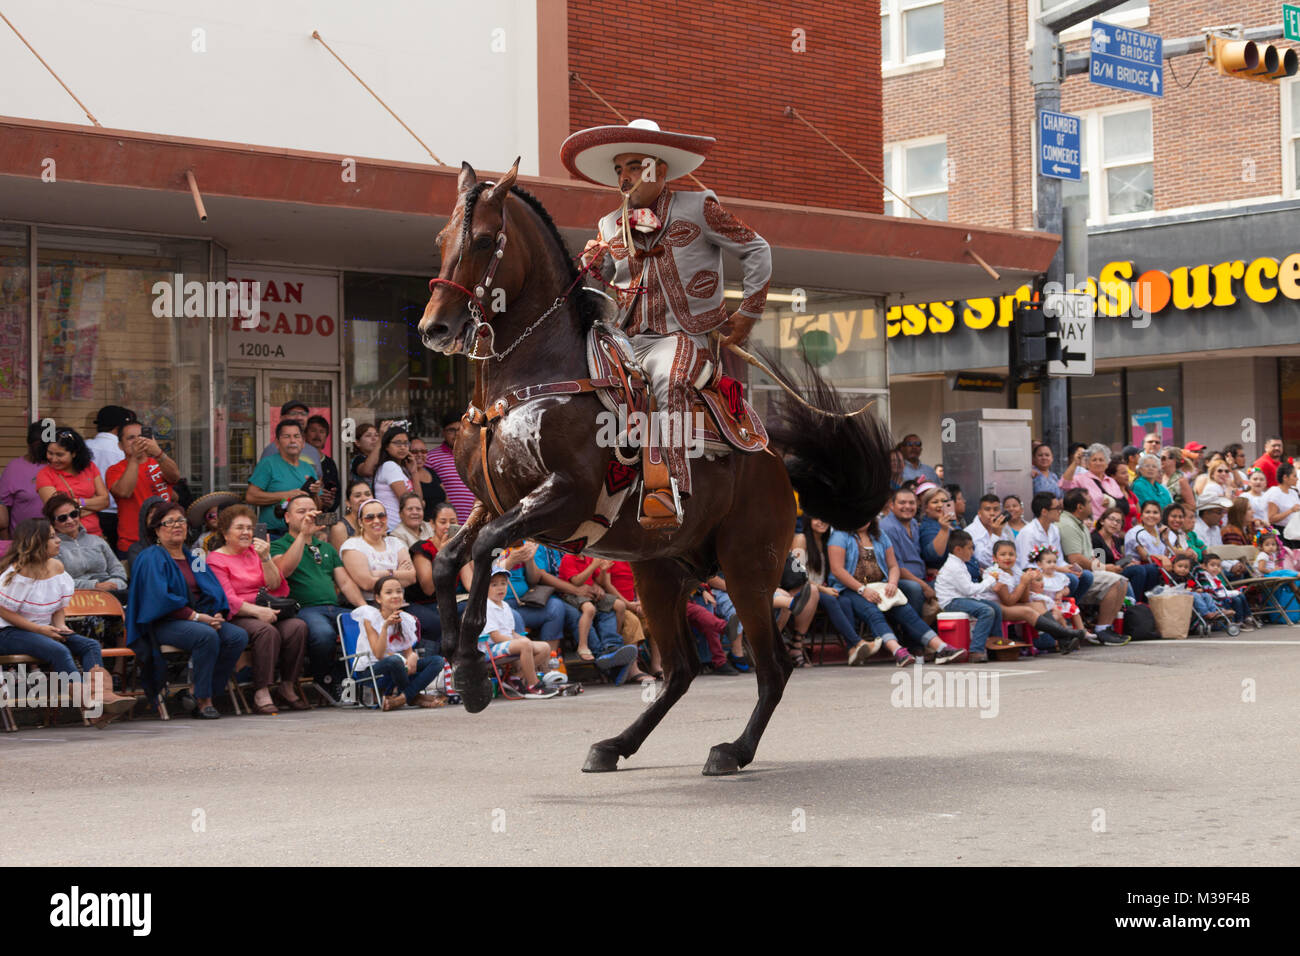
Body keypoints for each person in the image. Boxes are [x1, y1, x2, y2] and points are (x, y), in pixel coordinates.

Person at [567, 117, 772, 526]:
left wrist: (747, 314)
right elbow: (613, 279)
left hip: (684, 336)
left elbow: (758, 249)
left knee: (668, 378)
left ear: (659, 170)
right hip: (625, 336)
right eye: (619, 170)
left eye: (634, 167)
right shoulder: (609, 223)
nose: (625, 178)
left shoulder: (700, 208)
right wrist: (595, 264)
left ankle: (670, 488)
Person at [0, 517, 137, 726]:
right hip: (10, 632)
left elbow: (59, 606)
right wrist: (39, 629)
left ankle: (102, 697)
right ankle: (91, 705)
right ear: (36, 542)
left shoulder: (56, 566)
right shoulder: (17, 572)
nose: (58, 541)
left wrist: (60, 626)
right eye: (52, 537)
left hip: (44, 629)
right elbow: (4, 611)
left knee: (89, 645)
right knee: (59, 651)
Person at [125, 502, 249, 719]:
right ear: (156, 529)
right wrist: (198, 617)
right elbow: (159, 598)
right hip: (164, 622)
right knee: (206, 636)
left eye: (181, 520)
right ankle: (203, 700)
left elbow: (211, 587)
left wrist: (217, 612)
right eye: (169, 522)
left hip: (200, 619)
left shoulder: (194, 557)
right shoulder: (151, 557)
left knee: (237, 636)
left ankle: (195, 690)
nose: (177, 526)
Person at [206, 504, 309, 714]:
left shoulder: (257, 552)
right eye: (239, 528)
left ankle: (287, 685)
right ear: (225, 533)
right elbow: (227, 598)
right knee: (266, 631)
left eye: (249, 528)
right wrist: (257, 612)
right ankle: (261, 690)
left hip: (267, 606)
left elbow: (276, 586)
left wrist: (265, 558)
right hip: (239, 613)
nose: (246, 532)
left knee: (297, 627)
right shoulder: (215, 559)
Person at [828, 518, 961, 667]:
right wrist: (862, 589)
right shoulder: (840, 536)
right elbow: (837, 570)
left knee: (906, 611)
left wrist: (892, 583)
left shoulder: (880, 535)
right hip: (851, 588)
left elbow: (893, 566)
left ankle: (942, 648)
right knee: (873, 612)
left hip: (881, 585)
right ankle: (898, 651)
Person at [271, 493, 366, 697]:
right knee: (324, 635)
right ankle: (323, 680)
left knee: (365, 626)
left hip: (334, 607)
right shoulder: (278, 545)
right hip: (304, 609)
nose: (308, 515)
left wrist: (363, 608)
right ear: (287, 518)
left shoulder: (326, 548)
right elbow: (284, 570)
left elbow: (345, 582)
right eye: (301, 512)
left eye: (312, 511)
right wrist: (303, 536)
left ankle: (354, 680)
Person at [339, 499, 438, 644]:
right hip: (372, 604)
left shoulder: (395, 542)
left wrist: (381, 573)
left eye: (381, 516)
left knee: (435, 624)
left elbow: (411, 577)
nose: (377, 520)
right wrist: (398, 573)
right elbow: (367, 583)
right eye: (369, 517)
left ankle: (425, 663)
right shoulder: (353, 545)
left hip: (400, 603)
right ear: (360, 522)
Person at [351, 575, 445, 710]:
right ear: (378, 598)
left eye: (399, 591)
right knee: (395, 660)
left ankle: (400, 699)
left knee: (437, 661)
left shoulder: (405, 619)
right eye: (388, 592)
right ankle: (414, 697)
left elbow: (408, 652)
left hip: (397, 668)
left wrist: (412, 657)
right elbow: (378, 654)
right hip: (371, 670)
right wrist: (385, 626)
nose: (395, 596)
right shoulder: (370, 617)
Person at [983, 540, 1083, 653]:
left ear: (1016, 556)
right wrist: (1022, 583)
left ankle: (1063, 641)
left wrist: (1026, 583)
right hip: (996, 606)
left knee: (1038, 604)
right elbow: (1008, 601)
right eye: (1003, 554)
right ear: (995, 558)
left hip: (1011, 603)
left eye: (1011, 554)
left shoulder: (1015, 572)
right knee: (1027, 611)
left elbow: (1024, 599)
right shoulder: (995, 574)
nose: (1007, 558)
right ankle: (1066, 634)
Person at [1057, 488, 1129, 631]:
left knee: (1121, 580)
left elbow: (1089, 556)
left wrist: (1104, 566)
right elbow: (1075, 558)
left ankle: (1107, 627)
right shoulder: (1067, 524)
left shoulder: (1080, 523)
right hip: (1076, 574)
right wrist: (1104, 568)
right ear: (1080, 507)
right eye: (1089, 502)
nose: (1093, 505)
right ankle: (1102, 628)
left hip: (1087, 571)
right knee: (1116, 581)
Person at [105, 419, 180, 557]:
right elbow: (124, 492)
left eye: (141, 436)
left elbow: (175, 477)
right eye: (130, 438)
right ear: (120, 445)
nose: (137, 441)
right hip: (133, 543)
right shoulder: (114, 470)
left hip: (167, 540)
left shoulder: (158, 462)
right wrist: (134, 458)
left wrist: (158, 452)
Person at [933, 530, 1003, 664]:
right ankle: (976, 650)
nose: (972, 552)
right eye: (970, 548)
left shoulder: (959, 563)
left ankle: (996, 646)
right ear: (958, 550)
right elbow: (969, 590)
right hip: (951, 602)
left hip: (961, 598)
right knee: (986, 611)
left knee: (995, 608)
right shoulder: (954, 566)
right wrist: (989, 581)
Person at [479, 566, 551, 695]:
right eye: (494, 585)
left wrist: (523, 639)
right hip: (490, 648)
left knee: (544, 647)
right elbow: (496, 637)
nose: (500, 588)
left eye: (503, 583)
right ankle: (533, 684)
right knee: (524, 644)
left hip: (506, 643)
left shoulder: (505, 605)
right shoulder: (485, 606)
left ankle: (516, 677)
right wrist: (522, 642)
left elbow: (511, 632)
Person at [246, 419, 322, 536]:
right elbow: (251, 496)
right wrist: (285, 495)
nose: (292, 440)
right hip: (274, 535)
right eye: (287, 436)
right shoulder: (268, 464)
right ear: (277, 443)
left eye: (297, 436)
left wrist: (315, 493)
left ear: (303, 442)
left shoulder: (308, 468)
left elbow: (318, 507)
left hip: (304, 534)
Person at [44, 494, 126, 597]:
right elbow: (59, 581)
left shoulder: (96, 541)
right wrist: (95, 586)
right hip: (76, 600)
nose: (70, 520)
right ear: (53, 522)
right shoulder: (53, 547)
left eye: (73, 514)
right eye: (62, 518)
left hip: (112, 594)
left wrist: (115, 584)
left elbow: (117, 569)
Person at [36, 428, 109, 538]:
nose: (53, 459)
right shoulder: (45, 474)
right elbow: (57, 511)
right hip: (64, 538)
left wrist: (78, 502)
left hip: (95, 535)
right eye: (50, 453)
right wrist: (93, 504)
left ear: (74, 453)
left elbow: (105, 501)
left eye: (60, 455)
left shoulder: (90, 467)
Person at [496, 540, 566, 651]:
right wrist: (510, 561)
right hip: (499, 604)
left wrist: (530, 559)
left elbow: (533, 580)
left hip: (523, 601)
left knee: (556, 607)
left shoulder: (521, 543)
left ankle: (549, 659)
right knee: (514, 616)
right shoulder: (492, 544)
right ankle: (523, 663)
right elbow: (487, 576)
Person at [878, 487, 934, 617]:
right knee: (915, 588)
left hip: (919, 575)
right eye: (902, 503)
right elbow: (897, 568)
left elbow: (915, 555)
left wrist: (927, 570)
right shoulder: (888, 527)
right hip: (896, 579)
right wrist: (924, 586)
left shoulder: (914, 523)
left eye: (911, 503)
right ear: (891, 505)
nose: (907, 506)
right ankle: (912, 633)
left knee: (944, 583)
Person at [84, 405, 134, 551]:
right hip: (119, 514)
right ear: (119, 428)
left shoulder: (84, 447)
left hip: (88, 513)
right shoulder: (124, 450)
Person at [1024, 545, 1096, 642]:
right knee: (1056, 616)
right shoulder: (1039, 577)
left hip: (1058, 603)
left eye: (1054, 562)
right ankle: (1064, 636)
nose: (1052, 565)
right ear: (1039, 564)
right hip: (1045, 606)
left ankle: (1082, 631)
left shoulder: (1059, 577)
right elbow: (1034, 591)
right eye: (1049, 562)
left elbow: (1067, 589)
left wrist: (1061, 593)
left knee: (1074, 609)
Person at [1092, 506, 1160, 602]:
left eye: (1118, 522)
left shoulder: (1115, 540)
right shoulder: (1096, 539)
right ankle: (1133, 606)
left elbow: (1117, 560)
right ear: (1102, 521)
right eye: (1112, 519)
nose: (1115, 523)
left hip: (1118, 569)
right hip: (1107, 574)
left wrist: (1126, 562)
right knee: (1138, 570)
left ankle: (1147, 604)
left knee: (1152, 568)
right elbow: (1100, 566)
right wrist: (1122, 565)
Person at [1, 422, 50, 545]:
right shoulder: (14, 468)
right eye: (37, 444)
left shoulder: (60, 466)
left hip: (56, 541)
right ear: (29, 444)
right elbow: (3, 511)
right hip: (23, 543)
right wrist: (7, 545)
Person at [426, 412, 476, 523]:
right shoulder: (431, 458)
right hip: (446, 523)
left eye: (460, 429)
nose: (456, 433)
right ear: (443, 432)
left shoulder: (475, 456)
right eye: (451, 430)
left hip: (474, 521)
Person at [1060, 442, 1127, 524]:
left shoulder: (1111, 481)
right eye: (1094, 460)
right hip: (1091, 527)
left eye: (1101, 460)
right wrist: (1075, 463)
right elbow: (1064, 484)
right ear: (1088, 464)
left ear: (1106, 464)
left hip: (1112, 528)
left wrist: (1112, 502)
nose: (1098, 463)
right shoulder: (1080, 479)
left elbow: (1124, 504)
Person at [372, 424, 416, 533]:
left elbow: (419, 501)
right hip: (394, 529)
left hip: (399, 529)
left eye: (406, 443)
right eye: (397, 443)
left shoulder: (401, 469)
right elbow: (408, 502)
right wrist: (419, 502)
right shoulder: (390, 466)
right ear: (386, 446)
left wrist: (414, 472)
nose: (402, 447)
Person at [260, 400, 322, 475]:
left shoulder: (313, 451)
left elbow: (318, 479)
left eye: (303, 414)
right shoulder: (272, 450)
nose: (299, 417)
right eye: (293, 413)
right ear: (282, 418)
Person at [965, 493, 1013, 571]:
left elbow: (1013, 554)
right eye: (987, 509)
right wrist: (996, 534)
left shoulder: (1005, 527)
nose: (992, 513)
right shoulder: (969, 532)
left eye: (996, 509)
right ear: (979, 513)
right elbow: (983, 562)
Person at [918, 486, 960, 572]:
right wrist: (944, 530)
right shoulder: (927, 527)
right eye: (935, 502)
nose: (940, 505)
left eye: (944, 501)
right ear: (926, 508)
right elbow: (933, 556)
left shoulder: (952, 523)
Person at [303, 414, 339, 511]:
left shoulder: (330, 463)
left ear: (326, 436)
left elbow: (338, 494)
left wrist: (330, 503)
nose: (317, 435)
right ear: (305, 434)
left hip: (324, 516)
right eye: (313, 430)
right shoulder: (297, 460)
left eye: (322, 432)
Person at [405, 435, 446, 520]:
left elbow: (446, 497)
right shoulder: (405, 474)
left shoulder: (431, 472)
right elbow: (418, 502)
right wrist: (414, 472)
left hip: (440, 524)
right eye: (414, 452)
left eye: (423, 451)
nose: (420, 455)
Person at [330, 479, 373, 551]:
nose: (364, 499)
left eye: (368, 494)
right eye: (357, 496)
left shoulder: (377, 521)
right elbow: (341, 560)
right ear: (348, 503)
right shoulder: (340, 528)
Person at [1264, 463, 1300, 545]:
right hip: (1282, 534)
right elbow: (1271, 518)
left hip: (1295, 533)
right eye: (1294, 476)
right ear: (1285, 477)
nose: (1297, 479)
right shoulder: (1275, 493)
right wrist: (1290, 510)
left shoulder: (1293, 492)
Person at [1241, 468, 1271, 533]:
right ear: (1249, 482)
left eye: (1261, 479)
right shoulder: (1244, 496)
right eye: (1255, 479)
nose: (1258, 482)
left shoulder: (1268, 496)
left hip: (1266, 530)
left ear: (1265, 483)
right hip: (1250, 530)